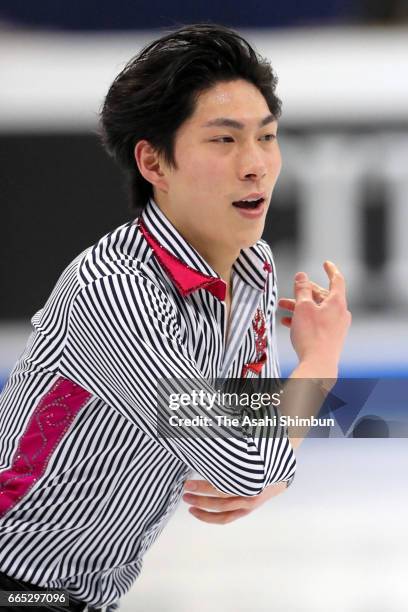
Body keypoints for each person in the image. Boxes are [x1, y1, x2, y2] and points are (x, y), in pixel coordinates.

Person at [0, 23, 351, 612]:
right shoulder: (114, 291)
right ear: (154, 163)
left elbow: (246, 415)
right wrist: (320, 361)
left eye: (267, 137)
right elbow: (244, 462)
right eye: (223, 140)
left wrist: (275, 472)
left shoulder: (251, 266)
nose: (256, 165)